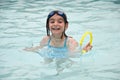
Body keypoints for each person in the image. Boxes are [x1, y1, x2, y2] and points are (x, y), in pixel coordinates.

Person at [23, 10, 92, 75]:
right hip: (50, 56)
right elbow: (39, 48)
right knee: (45, 65)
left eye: (60, 22)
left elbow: (73, 54)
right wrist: (30, 49)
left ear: (66, 25)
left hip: (64, 59)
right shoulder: (46, 39)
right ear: (48, 25)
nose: (56, 24)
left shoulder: (70, 42)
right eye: (52, 22)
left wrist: (84, 50)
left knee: (62, 68)